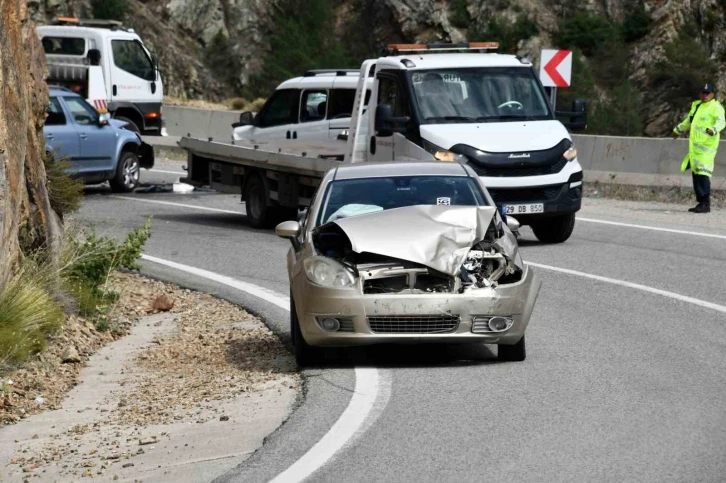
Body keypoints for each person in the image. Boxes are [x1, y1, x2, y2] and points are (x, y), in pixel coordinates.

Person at [672, 83, 725, 213]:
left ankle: (705, 203)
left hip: (707, 147)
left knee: (703, 174)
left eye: (707, 93)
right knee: (696, 174)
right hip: (695, 148)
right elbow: (688, 121)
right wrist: (677, 130)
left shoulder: (716, 107)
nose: (705, 95)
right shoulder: (696, 106)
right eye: (703, 93)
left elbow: (721, 122)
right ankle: (701, 202)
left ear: (712, 94)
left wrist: (714, 129)